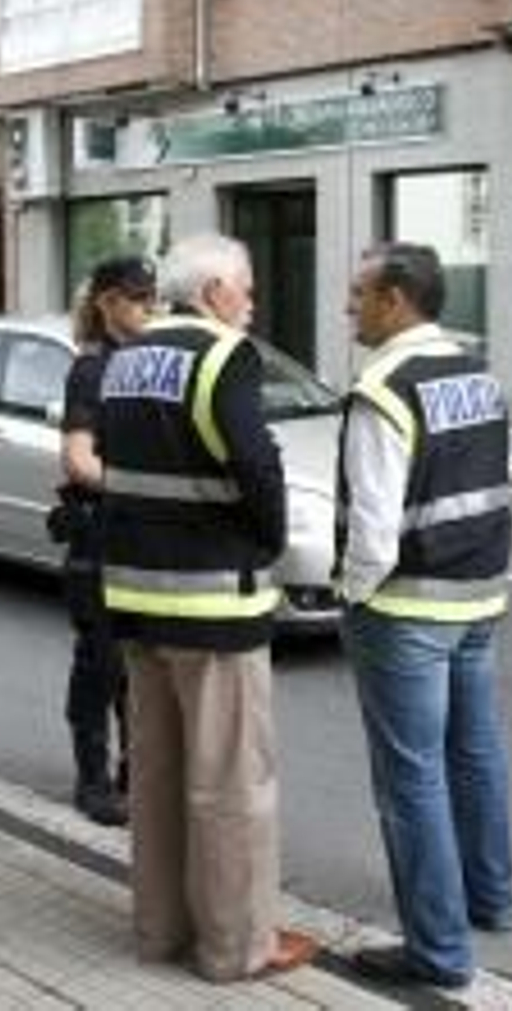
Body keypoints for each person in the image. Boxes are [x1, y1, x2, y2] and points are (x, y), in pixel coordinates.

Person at [98, 233, 318, 983]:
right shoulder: (225, 357)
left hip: (133, 592)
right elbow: (256, 463)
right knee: (230, 783)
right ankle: (236, 946)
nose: (251, 303)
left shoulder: (124, 356)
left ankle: (159, 929)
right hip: (211, 601)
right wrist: (266, 542)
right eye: (247, 289)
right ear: (215, 289)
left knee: (155, 773)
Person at [336, 242, 512, 991]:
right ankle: (492, 897)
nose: (349, 305)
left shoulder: (383, 387)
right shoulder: (478, 371)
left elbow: (374, 529)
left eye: (358, 292)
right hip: (478, 594)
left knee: (411, 779)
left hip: (406, 605)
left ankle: (438, 954)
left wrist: (351, 593)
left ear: (397, 298)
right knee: (475, 756)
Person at [55, 255, 156, 826]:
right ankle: (92, 779)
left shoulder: (147, 363)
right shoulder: (92, 370)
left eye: (152, 297)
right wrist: (141, 488)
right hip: (100, 536)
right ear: (107, 302)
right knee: (101, 663)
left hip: (139, 538)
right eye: (137, 298)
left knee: (137, 665)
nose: (149, 307)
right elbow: (77, 459)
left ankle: (134, 772)